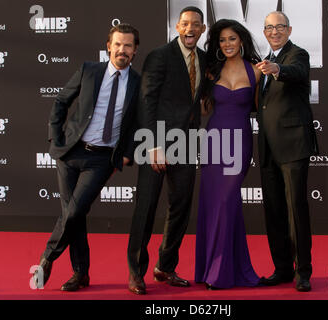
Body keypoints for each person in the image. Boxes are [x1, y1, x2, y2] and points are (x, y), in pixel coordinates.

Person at [33, 23, 141, 291]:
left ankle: (47, 257)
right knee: (74, 215)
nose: (122, 50)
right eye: (117, 44)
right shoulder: (89, 70)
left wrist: (127, 154)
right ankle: (81, 273)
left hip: (102, 159)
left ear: (135, 50)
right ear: (109, 46)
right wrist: (54, 137)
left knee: (75, 210)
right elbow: (61, 101)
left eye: (128, 45)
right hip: (70, 152)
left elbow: (140, 122)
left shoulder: (140, 83)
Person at [127, 6, 206, 295]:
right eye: (185, 24)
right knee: (146, 208)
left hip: (186, 145)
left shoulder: (204, 59)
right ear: (177, 27)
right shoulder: (160, 55)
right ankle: (136, 272)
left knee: (181, 208)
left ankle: (165, 266)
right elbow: (146, 101)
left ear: (202, 29)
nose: (190, 29)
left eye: (195, 25)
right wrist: (152, 145)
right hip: (157, 143)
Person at [194, 19, 262, 290]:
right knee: (216, 203)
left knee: (226, 200)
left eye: (232, 39)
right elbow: (203, 107)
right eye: (222, 40)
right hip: (214, 142)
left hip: (240, 142)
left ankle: (222, 270)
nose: (227, 44)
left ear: (241, 41)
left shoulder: (257, 72)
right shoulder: (211, 71)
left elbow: (262, 108)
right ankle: (214, 269)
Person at [255, 11, 318, 292]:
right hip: (268, 147)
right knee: (274, 211)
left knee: (296, 210)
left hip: (293, 145)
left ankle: (302, 271)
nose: (275, 31)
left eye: (280, 27)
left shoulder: (297, 55)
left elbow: (297, 73)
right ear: (265, 31)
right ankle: (281, 269)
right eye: (269, 27)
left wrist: (278, 70)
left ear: (289, 30)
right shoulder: (262, 62)